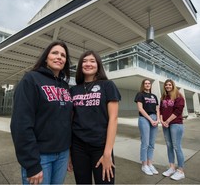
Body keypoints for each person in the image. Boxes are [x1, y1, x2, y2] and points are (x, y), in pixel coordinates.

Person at [10, 41, 73, 185]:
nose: (59, 57)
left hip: (62, 155)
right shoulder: (31, 79)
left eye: (63, 55)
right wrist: (31, 164)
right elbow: (20, 124)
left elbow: (66, 121)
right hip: (40, 156)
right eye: (55, 53)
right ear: (46, 57)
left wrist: (69, 152)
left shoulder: (65, 86)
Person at [70, 50, 121, 184]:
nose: (88, 64)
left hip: (100, 146)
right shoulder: (73, 90)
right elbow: (71, 120)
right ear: (80, 66)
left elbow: (113, 119)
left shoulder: (108, 85)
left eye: (92, 61)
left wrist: (107, 153)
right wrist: (70, 153)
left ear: (98, 65)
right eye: (84, 61)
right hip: (78, 147)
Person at [160, 79, 185, 181]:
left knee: (176, 146)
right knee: (169, 146)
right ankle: (172, 168)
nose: (168, 86)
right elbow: (161, 109)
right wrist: (162, 120)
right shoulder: (164, 97)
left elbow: (178, 111)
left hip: (176, 124)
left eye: (170, 85)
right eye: (166, 85)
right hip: (165, 124)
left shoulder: (179, 96)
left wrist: (167, 121)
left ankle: (181, 171)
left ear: (173, 86)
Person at [134, 79, 160, 176]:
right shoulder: (140, 94)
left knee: (152, 143)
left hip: (154, 118)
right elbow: (140, 108)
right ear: (143, 85)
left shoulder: (154, 96)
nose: (147, 85)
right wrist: (150, 119)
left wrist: (157, 119)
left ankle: (150, 164)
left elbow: (157, 109)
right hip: (144, 118)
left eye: (149, 83)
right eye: (146, 83)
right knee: (145, 142)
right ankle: (144, 165)